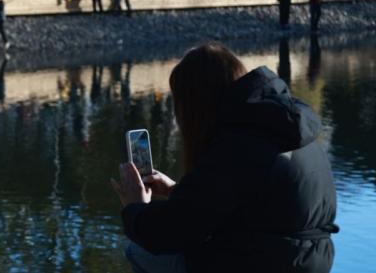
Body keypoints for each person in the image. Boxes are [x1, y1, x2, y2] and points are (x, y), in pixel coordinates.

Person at [112, 43, 338, 273]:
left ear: (195, 105)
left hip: (263, 263)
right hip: (306, 261)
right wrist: (176, 191)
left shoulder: (237, 145)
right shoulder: (285, 128)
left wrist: (136, 208)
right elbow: (250, 201)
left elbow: (171, 233)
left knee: (139, 250)